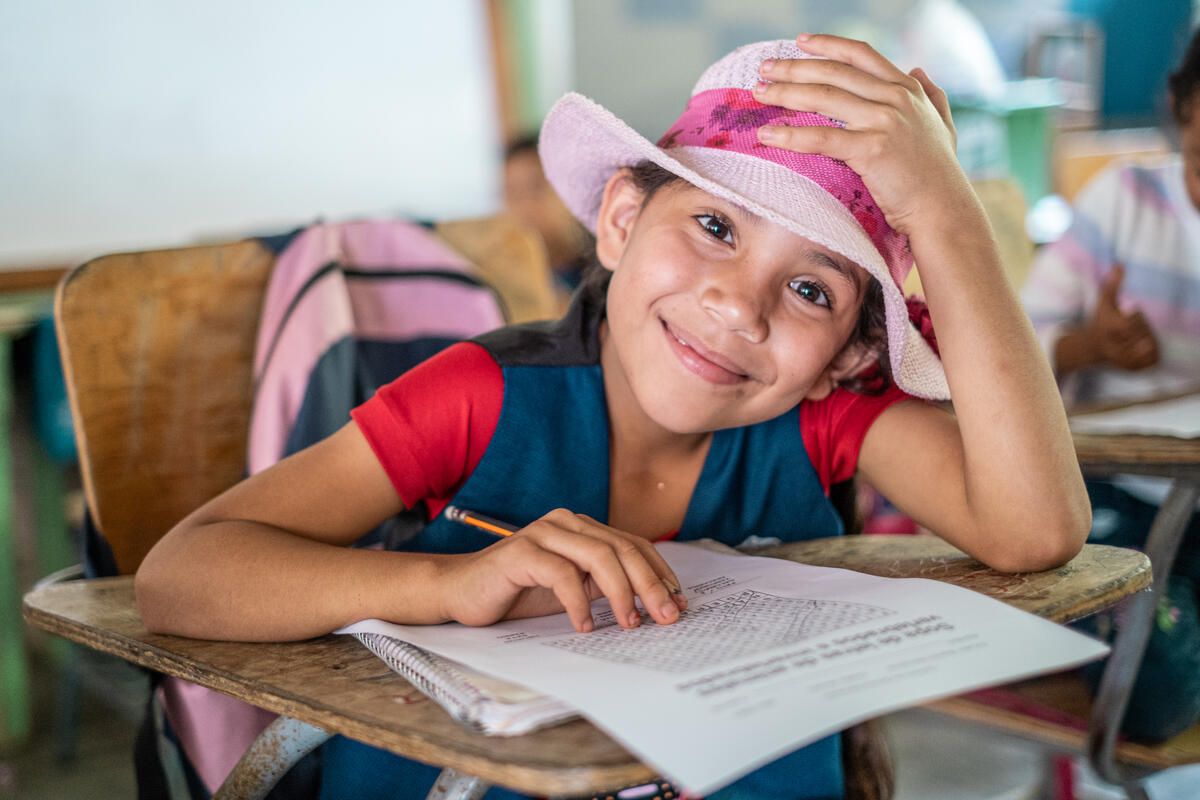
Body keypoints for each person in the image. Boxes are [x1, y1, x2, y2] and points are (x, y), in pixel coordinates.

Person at [135, 35, 1090, 799]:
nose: (738, 308)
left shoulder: (820, 418)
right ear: (623, 222)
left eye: (809, 289)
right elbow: (180, 578)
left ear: (845, 357)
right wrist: (450, 585)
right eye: (714, 227)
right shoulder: (482, 396)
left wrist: (947, 215)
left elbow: (1035, 529)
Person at [1020, 25, 1200, 742]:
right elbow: (1012, 351)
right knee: (1154, 693)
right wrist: (1087, 344)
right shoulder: (1122, 202)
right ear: (1178, 112)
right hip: (1110, 491)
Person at [503, 133, 591, 307]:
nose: (524, 206)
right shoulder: (506, 282)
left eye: (536, 187)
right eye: (512, 192)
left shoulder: (604, 273)